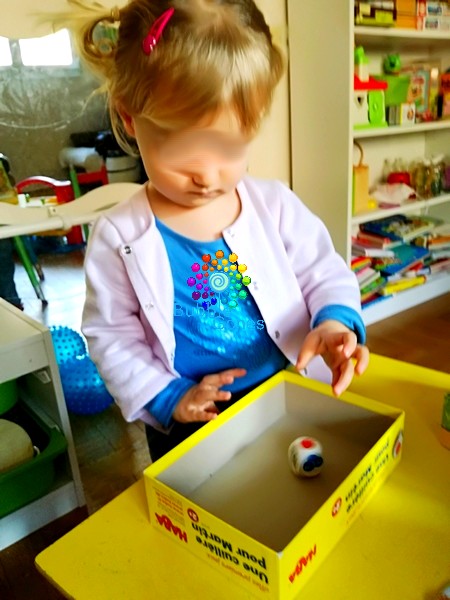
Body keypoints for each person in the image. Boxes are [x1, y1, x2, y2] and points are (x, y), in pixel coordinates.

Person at [70, 0, 369, 462]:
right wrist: (169, 398)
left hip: (282, 391)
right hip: (189, 417)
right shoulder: (118, 237)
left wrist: (332, 324)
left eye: (230, 148)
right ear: (129, 118)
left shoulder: (274, 206)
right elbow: (111, 336)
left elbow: (322, 272)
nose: (207, 176)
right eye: (183, 152)